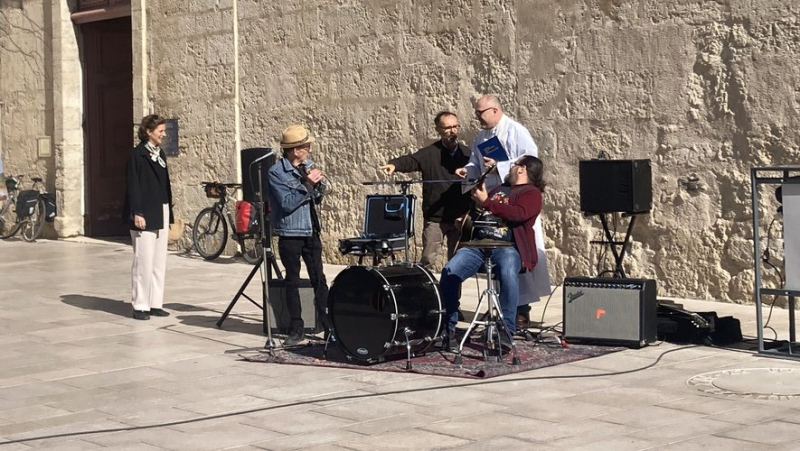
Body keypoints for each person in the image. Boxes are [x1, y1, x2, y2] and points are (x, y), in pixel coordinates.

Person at [455, 94, 552, 329]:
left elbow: (531, 163)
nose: (477, 116)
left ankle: (521, 311)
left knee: (514, 260)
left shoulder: (516, 131)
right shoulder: (481, 136)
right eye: (476, 112)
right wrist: (466, 170)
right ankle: (499, 307)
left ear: (495, 111)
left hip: (516, 203)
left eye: (481, 112)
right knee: (494, 260)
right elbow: (475, 163)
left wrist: (499, 165)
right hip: (493, 203)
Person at [440, 156, 546, 348]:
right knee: (449, 272)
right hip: (478, 246)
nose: (511, 168)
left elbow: (518, 214)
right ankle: (449, 328)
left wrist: (487, 202)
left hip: (508, 247)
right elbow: (482, 212)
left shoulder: (531, 194)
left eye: (514, 165)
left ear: (522, 169)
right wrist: (465, 218)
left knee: (507, 273)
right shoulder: (499, 190)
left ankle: (506, 330)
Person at [379, 111, 471, 268]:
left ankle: (452, 293)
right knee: (427, 260)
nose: (452, 131)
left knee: (457, 265)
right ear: (438, 129)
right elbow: (411, 160)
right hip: (435, 219)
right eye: (448, 127)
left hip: (459, 219)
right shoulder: (429, 153)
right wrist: (394, 165)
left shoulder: (467, 154)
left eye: (455, 126)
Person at [268, 125, 331, 346]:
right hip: (290, 232)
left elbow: (317, 198)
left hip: (311, 230)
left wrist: (319, 186)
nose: (309, 149)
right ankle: (297, 327)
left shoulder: (307, 166)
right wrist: (307, 184)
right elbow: (286, 204)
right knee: (292, 281)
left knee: (319, 279)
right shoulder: (276, 172)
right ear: (295, 150)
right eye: (306, 146)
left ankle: (328, 326)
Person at [123, 114, 174, 320]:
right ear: (148, 132)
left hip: (160, 208)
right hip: (144, 210)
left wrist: (169, 212)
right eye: (160, 130)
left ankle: (155, 302)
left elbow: (165, 184)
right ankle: (140, 304)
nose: (163, 134)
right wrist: (137, 212)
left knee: (159, 259)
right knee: (143, 260)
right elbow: (133, 185)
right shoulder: (137, 155)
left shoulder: (159, 153)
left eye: (163, 130)